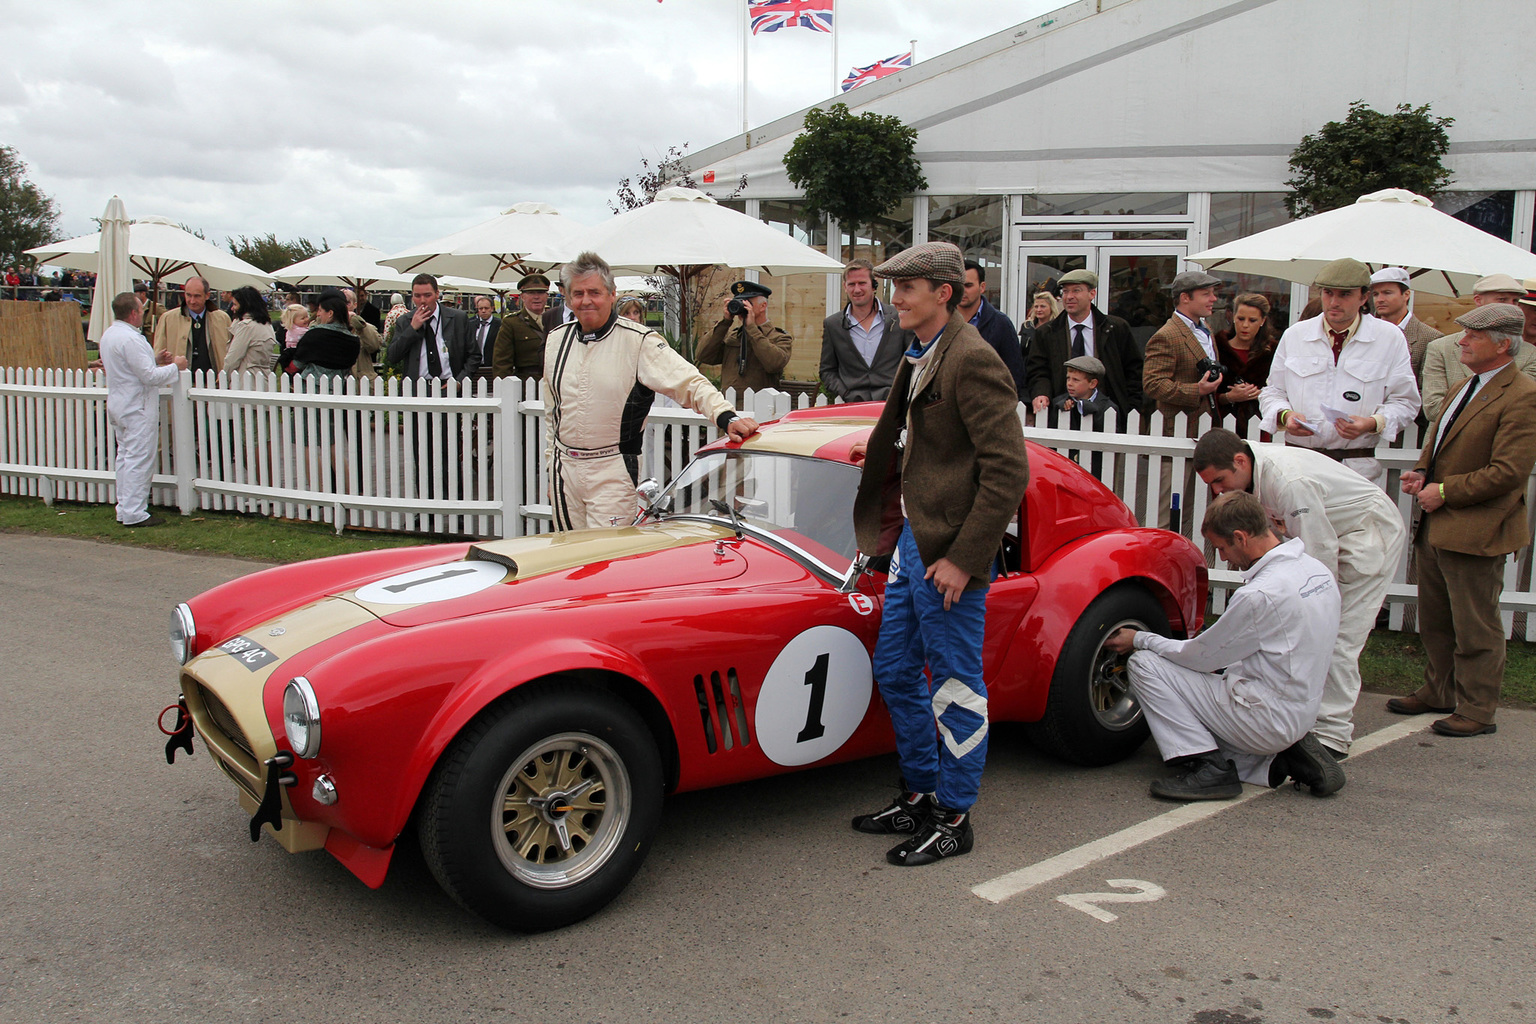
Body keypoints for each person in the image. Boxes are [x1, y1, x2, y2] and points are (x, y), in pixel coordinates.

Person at [849, 241, 1030, 866]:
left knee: (956, 685)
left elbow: (1008, 472)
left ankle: (955, 815)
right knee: (897, 671)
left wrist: (964, 557)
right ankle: (922, 791)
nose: (892, 298)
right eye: (892, 287)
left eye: (906, 289)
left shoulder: (973, 359)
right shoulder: (922, 348)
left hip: (949, 555)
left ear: (943, 294)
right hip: (912, 545)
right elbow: (926, 441)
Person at [1104, 492, 1345, 800]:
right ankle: (1280, 760)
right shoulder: (1316, 571)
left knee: (1145, 665)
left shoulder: (1261, 594)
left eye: (1222, 547)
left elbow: (1200, 658)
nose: (1225, 558)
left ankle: (1207, 768)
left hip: (1267, 717)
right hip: (1303, 709)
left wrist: (1140, 639)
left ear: (1241, 537)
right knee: (1212, 695)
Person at [1194, 428, 1406, 758]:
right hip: (1336, 533)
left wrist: (1316, 606)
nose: (1218, 490)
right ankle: (1306, 722)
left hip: (1368, 534)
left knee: (1337, 636)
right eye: (1212, 485)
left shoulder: (1290, 482)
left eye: (1220, 480)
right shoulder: (1254, 477)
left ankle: (1332, 736)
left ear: (1240, 460)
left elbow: (1318, 552)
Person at [1396, 304, 1536, 737]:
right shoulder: (1464, 385)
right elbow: (1440, 438)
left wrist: (1447, 491)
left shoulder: (1523, 394)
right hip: (1439, 523)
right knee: (1436, 619)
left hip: (1479, 528)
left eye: (1472, 336)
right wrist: (1423, 471)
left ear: (1502, 344)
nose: (1462, 342)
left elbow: (1509, 472)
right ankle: (1439, 690)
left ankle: (1478, 709)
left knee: (1476, 623)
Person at [544, 251, 758, 530]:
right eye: (578, 293)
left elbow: (688, 381)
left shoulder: (639, 341)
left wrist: (725, 416)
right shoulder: (556, 340)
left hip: (612, 469)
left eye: (594, 292)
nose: (586, 301)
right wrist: (551, 471)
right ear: (568, 297)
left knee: (605, 560)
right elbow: (553, 413)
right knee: (567, 559)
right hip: (564, 471)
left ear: (612, 294)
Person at [1259, 258, 1421, 488]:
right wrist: (1285, 416)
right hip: (1299, 464)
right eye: (1328, 293)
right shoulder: (1296, 335)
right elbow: (1272, 392)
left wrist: (1372, 423)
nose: (1333, 302)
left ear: (1364, 297)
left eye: (1344, 294)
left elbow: (1406, 402)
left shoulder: (1389, 338)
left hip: (1356, 470)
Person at [1143, 270, 1228, 529]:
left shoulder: (1205, 329)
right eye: (1206, 294)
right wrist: (1197, 390)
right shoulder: (1167, 335)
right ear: (1185, 298)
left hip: (1201, 429)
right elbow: (1153, 383)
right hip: (1176, 432)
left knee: (1188, 508)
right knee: (1167, 510)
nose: (1213, 299)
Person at [100, 293, 188, 527]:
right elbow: (148, 377)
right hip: (136, 406)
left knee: (125, 457)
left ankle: (124, 507)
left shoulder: (110, 335)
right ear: (133, 313)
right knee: (139, 459)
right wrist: (175, 367)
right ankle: (134, 512)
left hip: (120, 402)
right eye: (140, 310)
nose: (142, 314)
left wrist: (155, 357)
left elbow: (132, 366)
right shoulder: (131, 339)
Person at [1027, 269, 1143, 420]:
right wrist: (1041, 392)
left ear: (1092, 294)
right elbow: (1037, 370)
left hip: (1106, 414)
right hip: (1062, 413)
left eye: (1076, 290)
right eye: (1065, 291)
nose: (1069, 297)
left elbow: (1133, 370)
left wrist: (1130, 407)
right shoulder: (1047, 332)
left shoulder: (1116, 329)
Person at [1420, 274, 1536, 419]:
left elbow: (1519, 409)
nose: (1510, 306)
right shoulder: (1441, 347)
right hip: (1443, 439)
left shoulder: (1530, 354)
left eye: (1515, 301)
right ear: (1478, 301)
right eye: (1502, 299)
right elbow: (1433, 408)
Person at [819, 258, 907, 402]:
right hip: (853, 407)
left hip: (894, 405)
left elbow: (912, 361)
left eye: (862, 283)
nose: (857, 289)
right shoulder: (833, 324)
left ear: (874, 285)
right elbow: (827, 370)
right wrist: (845, 392)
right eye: (852, 284)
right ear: (845, 287)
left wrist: (902, 390)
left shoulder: (898, 318)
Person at [696, 280, 794, 394]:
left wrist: (752, 329)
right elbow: (703, 355)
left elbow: (774, 364)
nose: (743, 306)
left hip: (761, 405)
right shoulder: (733, 335)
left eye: (747, 303)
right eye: (740, 302)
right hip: (729, 403)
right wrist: (725, 322)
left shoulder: (779, 337)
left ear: (763, 306)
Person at [386, 273, 478, 382]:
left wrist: (459, 381)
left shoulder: (458, 318)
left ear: (437, 294)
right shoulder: (405, 321)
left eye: (427, 295)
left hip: (450, 384)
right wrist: (412, 329)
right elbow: (392, 356)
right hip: (418, 387)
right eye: (417, 296)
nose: (423, 300)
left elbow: (474, 355)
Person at [957, 260, 1026, 398]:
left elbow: (1014, 373)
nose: (963, 290)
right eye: (958, 285)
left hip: (987, 405)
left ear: (982, 287)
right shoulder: (941, 321)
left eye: (968, 285)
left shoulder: (1001, 324)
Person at [1212, 292, 1277, 435]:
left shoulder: (1273, 352)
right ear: (1233, 317)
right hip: (1221, 427)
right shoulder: (1216, 348)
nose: (1245, 325)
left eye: (1252, 320)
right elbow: (1204, 394)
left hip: (1260, 427)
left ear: (1262, 321)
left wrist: (1260, 394)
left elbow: (1283, 391)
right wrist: (1228, 397)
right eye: (1241, 318)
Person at [1369, 266, 1441, 386]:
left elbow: (1427, 390)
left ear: (1406, 295)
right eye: (1375, 294)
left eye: (1387, 293)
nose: (1380, 299)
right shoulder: (1363, 331)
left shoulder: (1430, 338)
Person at [153, 275, 230, 374]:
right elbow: (159, 352)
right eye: (188, 295)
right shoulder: (167, 318)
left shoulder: (223, 319)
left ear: (207, 295)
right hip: (178, 383)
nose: (192, 301)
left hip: (215, 382)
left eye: (197, 296)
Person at [491, 273, 550, 380]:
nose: (536, 297)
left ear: (547, 296)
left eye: (541, 292)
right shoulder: (512, 323)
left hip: (555, 383)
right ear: (522, 296)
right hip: (526, 385)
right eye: (531, 293)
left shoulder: (556, 319)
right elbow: (502, 362)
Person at [223, 286, 277, 375]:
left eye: (235, 305)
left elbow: (233, 358)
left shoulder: (246, 326)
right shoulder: (267, 324)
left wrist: (223, 377)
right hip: (263, 378)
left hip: (244, 379)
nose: (232, 308)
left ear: (245, 305)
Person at [341, 287, 383, 381]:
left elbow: (374, 346)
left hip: (360, 380)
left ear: (355, 305)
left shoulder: (365, 327)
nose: (343, 306)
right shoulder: (327, 325)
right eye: (340, 303)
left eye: (347, 303)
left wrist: (359, 324)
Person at [1017, 290, 1060, 362]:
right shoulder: (1027, 326)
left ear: (1051, 307)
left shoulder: (1057, 327)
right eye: (1036, 307)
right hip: (1027, 369)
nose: (1039, 310)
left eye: (1043, 306)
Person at [470, 294, 501, 370]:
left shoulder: (500, 325)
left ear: (492, 309)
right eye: (480, 308)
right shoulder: (471, 325)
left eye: (486, 308)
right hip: (474, 367)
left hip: (492, 366)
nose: (483, 311)